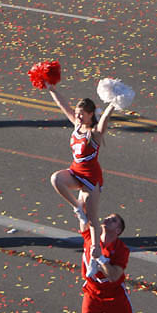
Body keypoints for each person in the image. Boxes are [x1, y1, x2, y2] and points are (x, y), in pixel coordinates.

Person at [46, 83, 115, 277]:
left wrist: (112, 105)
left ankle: (96, 254)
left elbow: (103, 126)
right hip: (76, 172)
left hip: (91, 179)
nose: (78, 116)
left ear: (91, 114)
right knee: (56, 179)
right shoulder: (76, 125)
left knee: (91, 222)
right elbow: (63, 106)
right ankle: (77, 207)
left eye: (82, 113)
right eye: (77, 112)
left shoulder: (93, 134)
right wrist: (52, 89)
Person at [79, 211, 147, 313]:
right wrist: (79, 206)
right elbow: (83, 216)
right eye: (108, 217)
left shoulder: (122, 250)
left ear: (118, 230)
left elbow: (114, 276)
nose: (108, 219)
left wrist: (101, 259)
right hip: (92, 292)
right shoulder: (91, 235)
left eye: (114, 220)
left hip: (114, 294)